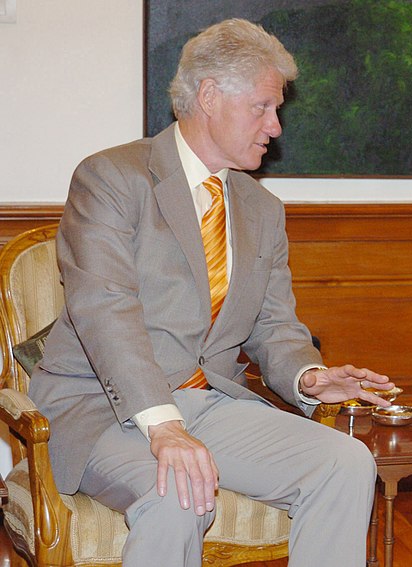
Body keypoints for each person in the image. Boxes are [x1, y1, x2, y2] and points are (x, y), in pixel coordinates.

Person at [28, 18, 393, 567]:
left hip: (209, 403)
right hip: (101, 407)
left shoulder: (262, 210)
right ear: (208, 94)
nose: (275, 127)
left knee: (346, 462)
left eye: (278, 111)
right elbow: (105, 310)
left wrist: (309, 375)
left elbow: (275, 326)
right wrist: (165, 426)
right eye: (264, 108)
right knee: (178, 496)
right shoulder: (112, 178)